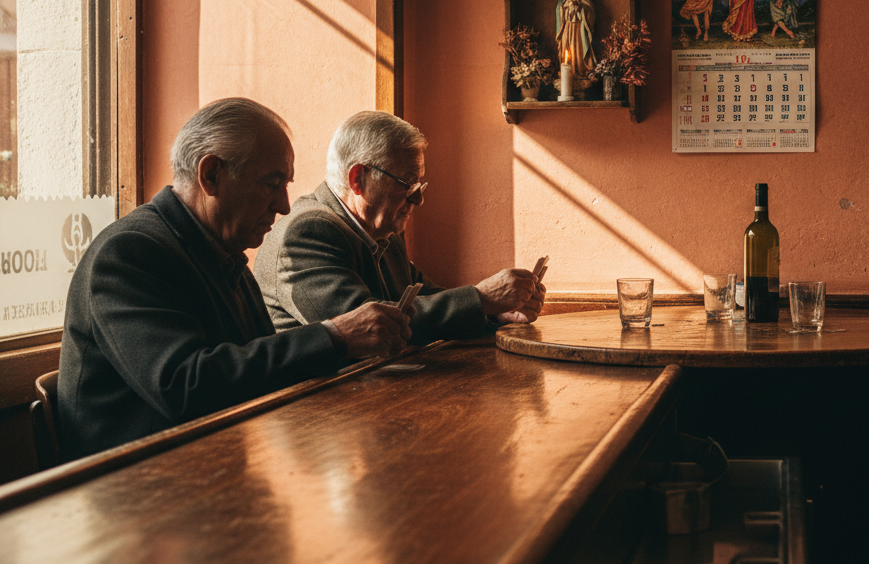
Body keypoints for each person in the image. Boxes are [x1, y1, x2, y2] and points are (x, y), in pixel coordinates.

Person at [57, 98, 411, 460]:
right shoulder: (129, 252)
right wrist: (335, 336)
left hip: (215, 462)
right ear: (210, 175)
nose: (284, 205)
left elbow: (253, 372)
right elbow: (186, 386)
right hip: (135, 488)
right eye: (272, 184)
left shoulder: (222, 252)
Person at [255, 111, 544, 344]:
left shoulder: (382, 230)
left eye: (420, 185)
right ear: (358, 179)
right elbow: (372, 327)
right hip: (313, 407)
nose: (418, 199)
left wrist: (497, 313)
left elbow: (427, 298)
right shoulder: (308, 231)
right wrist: (481, 298)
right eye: (407, 184)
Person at [555, 0, 596, 80]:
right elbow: (559, 8)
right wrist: (566, 7)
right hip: (567, 26)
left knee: (577, 47)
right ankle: (569, 72)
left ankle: (579, 70)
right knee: (566, 46)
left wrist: (580, 7)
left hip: (578, 27)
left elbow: (590, 9)